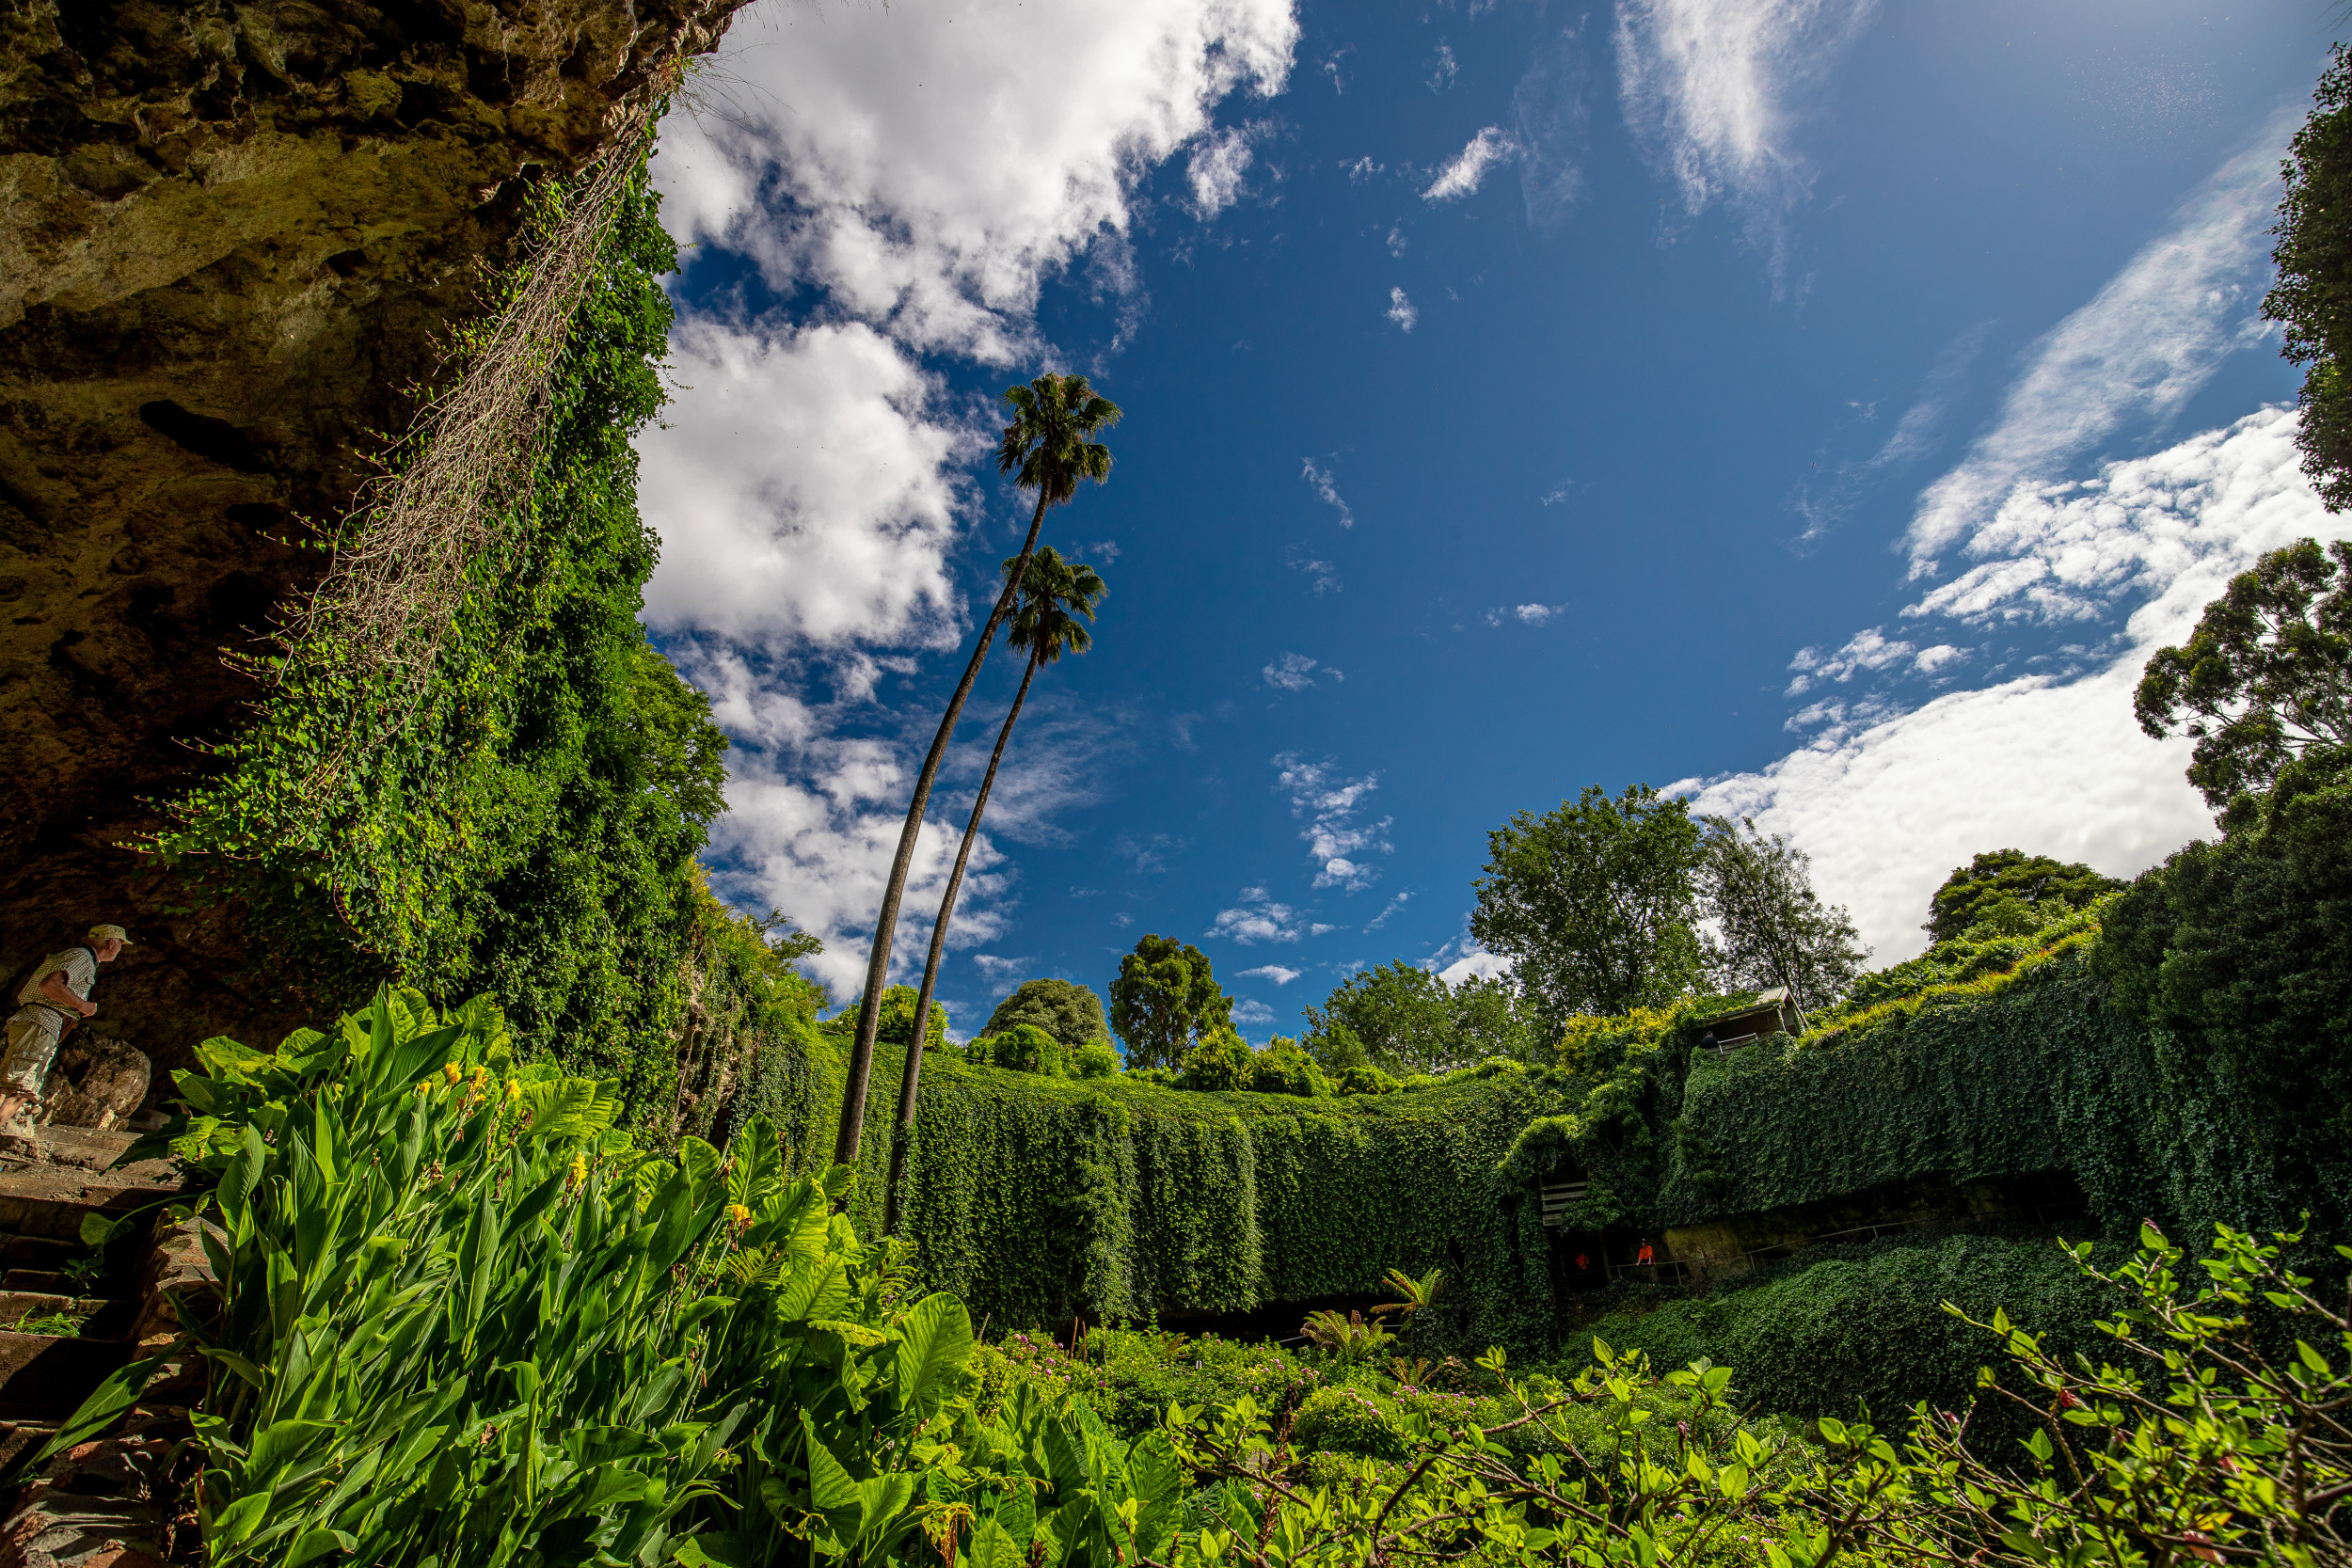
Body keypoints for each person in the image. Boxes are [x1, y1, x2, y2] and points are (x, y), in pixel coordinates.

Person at [2, 925, 131, 1134]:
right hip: (41, 1022)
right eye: (120, 945)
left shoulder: (76, 956)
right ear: (112, 942)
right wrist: (83, 1006)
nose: (119, 950)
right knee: (19, 1089)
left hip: (36, 1021)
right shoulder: (83, 957)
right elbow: (50, 986)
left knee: (10, 1084)